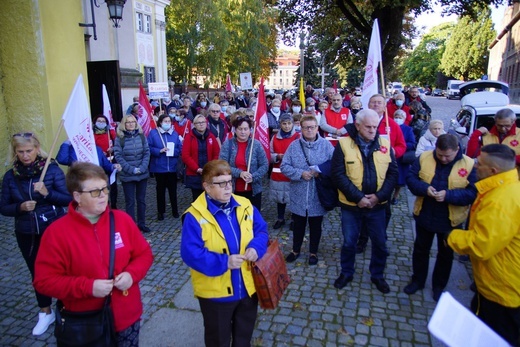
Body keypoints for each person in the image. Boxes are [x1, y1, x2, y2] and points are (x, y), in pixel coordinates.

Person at [33, 162, 153, 346]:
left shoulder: (122, 220)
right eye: (95, 192)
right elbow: (44, 281)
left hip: (126, 317)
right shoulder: (57, 233)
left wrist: (131, 274)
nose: (104, 195)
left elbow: (144, 254)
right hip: (84, 322)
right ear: (77, 196)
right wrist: (88, 287)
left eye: (105, 189)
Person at [180, 159, 269, 347]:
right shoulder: (194, 216)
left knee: (243, 338)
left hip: (247, 288)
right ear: (206, 187)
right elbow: (190, 253)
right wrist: (224, 262)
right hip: (216, 295)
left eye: (229, 182)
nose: (228, 188)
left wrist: (256, 247)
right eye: (221, 184)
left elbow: (261, 230)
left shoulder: (245, 205)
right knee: (218, 340)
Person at [448, 144, 520, 346]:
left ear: (493, 171)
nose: (475, 166)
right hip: (496, 283)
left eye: (479, 163)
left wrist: (451, 237)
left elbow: (482, 245)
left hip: (501, 290)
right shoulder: (506, 188)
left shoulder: (501, 201)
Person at [0, 132, 72, 335]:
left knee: (62, 269)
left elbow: (68, 199)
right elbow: (4, 206)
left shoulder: (52, 170)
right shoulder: (10, 176)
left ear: (37, 148)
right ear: (15, 152)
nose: (25, 155)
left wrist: (47, 194)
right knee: (38, 273)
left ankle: (66, 307)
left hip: (54, 229)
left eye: (29, 150)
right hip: (27, 232)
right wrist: (20, 207)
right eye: (20, 151)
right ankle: (45, 311)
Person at [331, 110, 398, 293]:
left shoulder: (385, 143)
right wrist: (358, 198)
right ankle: (347, 272)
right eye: (368, 127)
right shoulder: (344, 144)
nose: (372, 130)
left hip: (378, 206)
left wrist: (379, 197)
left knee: (380, 243)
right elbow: (338, 175)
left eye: (375, 127)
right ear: (358, 125)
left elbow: (393, 174)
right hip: (351, 206)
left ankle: (377, 275)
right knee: (349, 242)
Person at [404, 134, 477, 301]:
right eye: (440, 154)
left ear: (457, 150)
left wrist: (448, 195)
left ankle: (439, 286)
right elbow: (411, 178)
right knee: (421, 250)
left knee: (445, 254)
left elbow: (472, 193)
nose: (443, 159)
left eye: (447, 156)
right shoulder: (424, 157)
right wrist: (424, 188)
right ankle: (418, 280)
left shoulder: (469, 164)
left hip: (450, 220)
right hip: (425, 213)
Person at [280, 115, 334, 265]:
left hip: (318, 194)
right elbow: (284, 166)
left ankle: (313, 252)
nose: (309, 130)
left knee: (316, 225)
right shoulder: (294, 146)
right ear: (301, 129)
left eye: (312, 127)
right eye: (306, 127)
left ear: (317, 128)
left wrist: (321, 171)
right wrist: (300, 174)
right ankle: (295, 250)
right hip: (299, 192)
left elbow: (335, 164)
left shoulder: (326, 145)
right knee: (298, 225)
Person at [219, 117, 269, 210]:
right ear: (235, 130)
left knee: (252, 218)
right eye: (240, 129)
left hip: (253, 190)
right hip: (233, 189)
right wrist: (239, 173)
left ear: (250, 130)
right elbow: (222, 165)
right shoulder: (228, 144)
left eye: (245, 129)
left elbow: (264, 165)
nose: (243, 132)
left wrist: (253, 176)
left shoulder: (256, 144)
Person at [113, 114, 151, 233]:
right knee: (130, 201)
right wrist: (131, 169)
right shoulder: (120, 138)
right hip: (128, 174)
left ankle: (142, 223)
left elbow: (146, 152)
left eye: (133, 122)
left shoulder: (141, 136)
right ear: (124, 124)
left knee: (141, 200)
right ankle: (131, 225)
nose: (130, 124)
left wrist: (142, 167)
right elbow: (118, 156)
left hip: (142, 173)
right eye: (128, 122)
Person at [147, 114, 182, 220]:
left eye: (169, 121)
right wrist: (159, 151)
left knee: (173, 190)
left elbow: (180, 148)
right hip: (159, 167)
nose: (167, 123)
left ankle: (175, 210)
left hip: (172, 167)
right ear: (160, 122)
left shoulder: (175, 134)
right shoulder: (153, 133)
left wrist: (173, 152)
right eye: (165, 121)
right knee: (160, 191)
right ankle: (161, 211)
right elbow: (148, 147)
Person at [269, 113, 300, 229]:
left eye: (289, 123)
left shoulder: (297, 137)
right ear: (280, 124)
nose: (287, 126)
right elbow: (269, 154)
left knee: (293, 197)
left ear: (292, 124)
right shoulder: (275, 138)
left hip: (292, 173)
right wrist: (277, 156)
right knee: (280, 197)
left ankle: (293, 219)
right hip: (278, 173)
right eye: (284, 124)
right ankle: (280, 218)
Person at [182, 114, 221, 201]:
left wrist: (210, 167)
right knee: (197, 198)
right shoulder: (189, 137)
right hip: (194, 173)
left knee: (210, 198)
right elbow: (186, 156)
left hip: (209, 173)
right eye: (198, 122)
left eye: (203, 122)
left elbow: (217, 153)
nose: (201, 124)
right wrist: (197, 169)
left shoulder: (211, 136)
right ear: (194, 125)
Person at [92, 114, 119, 208]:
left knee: (113, 184)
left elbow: (118, 144)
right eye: (99, 121)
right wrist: (99, 153)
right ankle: (104, 203)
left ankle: (114, 203)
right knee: (101, 184)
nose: (101, 123)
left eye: (103, 121)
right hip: (98, 163)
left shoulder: (110, 133)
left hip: (110, 160)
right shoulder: (91, 134)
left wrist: (113, 149)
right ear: (95, 122)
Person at [391, 110, 416, 204]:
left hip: (401, 158)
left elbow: (412, 144)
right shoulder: (390, 127)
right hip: (390, 156)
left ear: (404, 119)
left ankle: (395, 196)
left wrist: (401, 145)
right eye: (396, 117)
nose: (398, 119)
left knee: (399, 179)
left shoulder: (408, 129)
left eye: (400, 117)